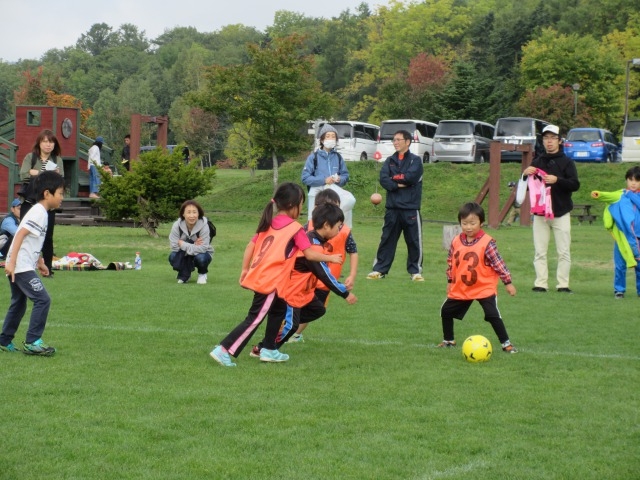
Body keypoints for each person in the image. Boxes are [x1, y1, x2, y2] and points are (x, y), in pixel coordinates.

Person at [209, 182, 343, 367]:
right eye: (301, 204)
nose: (302, 208)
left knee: (278, 311)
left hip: (272, 281)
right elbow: (310, 254)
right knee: (255, 318)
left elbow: (250, 246)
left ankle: (269, 349)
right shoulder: (295, 228)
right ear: (292, 205)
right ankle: (223, 350)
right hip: (271, 282)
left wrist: (245, 269)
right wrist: (331, 258)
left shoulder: (268, 223)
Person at [250, 203, 357, 357]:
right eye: (338, 226)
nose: (340, 230)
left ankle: (275, 332)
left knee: (318, 310)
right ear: (327, 225)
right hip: (292, 292)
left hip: (304, 293)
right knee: (291, 326)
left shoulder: (316, 241)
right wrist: (345, 293)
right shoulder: (313, 246)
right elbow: (324, 274)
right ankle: (266, 348)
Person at [437, 202, 518, 354]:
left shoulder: (487, 242)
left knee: (492, 314)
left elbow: (498, 263)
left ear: (481, 222)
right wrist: (450, 280)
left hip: (483, 287)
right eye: (464, 223)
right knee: (446, 311)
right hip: (462, 287)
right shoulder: (456, 240)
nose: (468, 227)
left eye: (472, 223)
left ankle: (506, 344)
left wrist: (508, 282)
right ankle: (448, 340)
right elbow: (451, 262)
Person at [0, 171, 65, 355]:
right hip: (20, 266)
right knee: (42, 299)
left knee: (19, 303)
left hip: (22, 264)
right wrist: (11, 263)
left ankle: (4, 340)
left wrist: (40, 262)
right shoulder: (39, 212)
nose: (62, 198)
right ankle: (32, 341)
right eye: (60, 193)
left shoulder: (40, 212)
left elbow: (32, 240)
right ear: (47, 193)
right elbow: (19, 235)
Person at [288, 188, 358, 343]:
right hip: (305, 280)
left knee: (316, 309)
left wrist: (352, 275)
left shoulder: (344, 231)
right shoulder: (306, 229)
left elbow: (353, 251)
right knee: (300, 306)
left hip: (327, 281)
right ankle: (287, 331)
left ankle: (295, 333)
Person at [522, 124, 580, 293]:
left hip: (561, 212)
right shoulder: (538, 161)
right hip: (540, 214)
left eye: (553, 138)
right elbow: (527, 187)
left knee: (563, 251)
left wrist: (557, 180)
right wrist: (525, 175)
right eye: (546, 138)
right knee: (540, 251)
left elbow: (575, 185)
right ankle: (540, 283)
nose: (549, 142)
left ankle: (563, 284)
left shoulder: (567, 162)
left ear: (559, 141)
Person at [367, 129, 424, 281]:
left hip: (410, 207)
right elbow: (384, 179)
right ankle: (379, 270)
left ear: (408, 142)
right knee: (387, 239)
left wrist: (396, 180)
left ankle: (415, 272)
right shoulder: (389, 161)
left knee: (413, 241)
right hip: (392, 208)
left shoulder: (415, 161)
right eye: (394, 140)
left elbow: (411, 178)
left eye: (399, 139)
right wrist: (398, 184)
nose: (395, 142)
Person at [19, 129, 64, 276]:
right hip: (30, 202)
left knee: (47, 236)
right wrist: (42, 174)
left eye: (51, 142)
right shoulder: (31, 157)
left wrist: (36, 173)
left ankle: (48, 269)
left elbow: (60, 180)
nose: (48, 145)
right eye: (45, 141)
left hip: (48, 205)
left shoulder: (57, 160)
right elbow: (23, 174)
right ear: (39, 143)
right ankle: (23, 266)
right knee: (26, 233)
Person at [591, 165, 640, 298]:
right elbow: (609, 196)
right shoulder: (620, 195)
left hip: (638, 237)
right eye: (630, 180)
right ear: (626, 181)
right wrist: (599, 194)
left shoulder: (631, 195)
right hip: (622, 237)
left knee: (639, 266)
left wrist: (630, 194)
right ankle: (619, 290)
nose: (633, 183)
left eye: (637, 180)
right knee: (620, 264)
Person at [301, 124, 356, 227]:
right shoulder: (313, 157)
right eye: (328, 136)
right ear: (322, 140)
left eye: (333, 136)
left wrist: (340, 179)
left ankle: (341, 229)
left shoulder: (338, 157)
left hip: (334, 190)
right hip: (317, 192)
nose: (331, 139)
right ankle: (312, 233)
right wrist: (323, 180)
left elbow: (345, 175)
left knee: (350, 200)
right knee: (313, 221)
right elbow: (305, 178)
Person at [168, 200, 214, 284]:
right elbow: (174, 246)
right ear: (183, 214)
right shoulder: (176, 225)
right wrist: (193, 245)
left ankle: (202, 273)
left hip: (203, 253)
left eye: (194, 212)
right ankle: (185, 274)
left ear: (198, 213)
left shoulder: (204, 225)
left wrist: (182, 243)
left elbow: (203, 248)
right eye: (188, 212)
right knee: (172, 256)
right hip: (186, 253)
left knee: (201, 258)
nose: (192, 216)